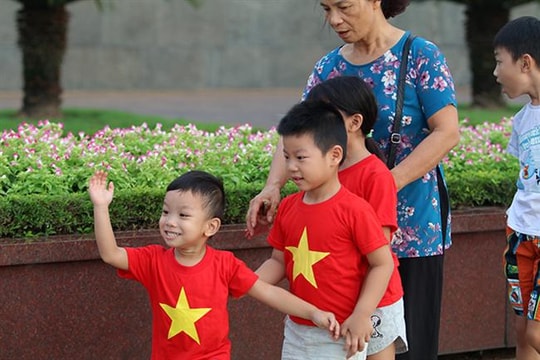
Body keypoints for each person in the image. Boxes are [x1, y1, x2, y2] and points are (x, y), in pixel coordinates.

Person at [246, 1, 460, 359]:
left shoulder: (420, 55)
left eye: (343, 6)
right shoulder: (328, 66)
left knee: (411, 344)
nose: (334, 20)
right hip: (341, 237)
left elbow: (447, 132)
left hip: (413, 226)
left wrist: (381, 186)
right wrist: (274, 185)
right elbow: (300, 134)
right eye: (326, 8)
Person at [88, 169, 340, 359]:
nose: (170, 221)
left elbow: (268, 292)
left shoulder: (224, 265)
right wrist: (101, 207)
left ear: (211, 226)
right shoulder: (153, 260)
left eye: (183, 215)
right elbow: (111, 254)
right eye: (166, 212)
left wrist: (312, 312)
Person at [255, 100, 396, 359]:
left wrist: (362, 314)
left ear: (334, 155)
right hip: (297, 330)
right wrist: (244, 282)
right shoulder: (287, 207)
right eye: (286, 157)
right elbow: (278, 261)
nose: (291, 167)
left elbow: (382, 264)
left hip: (341, 333)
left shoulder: (355, 210)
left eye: (301, 157)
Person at [306, 76, 408, 359]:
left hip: (374, 299)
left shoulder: (375, 176)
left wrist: (363, 310)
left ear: (354, 123)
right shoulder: (323, 171)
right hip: (337, 295)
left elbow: (380, 247)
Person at [494, 16, 540, 360]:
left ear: (525, 62)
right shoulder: (522, 119)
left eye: (499, 61)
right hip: (521, 234)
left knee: (537, 332)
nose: (496, 73)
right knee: (524, 331)